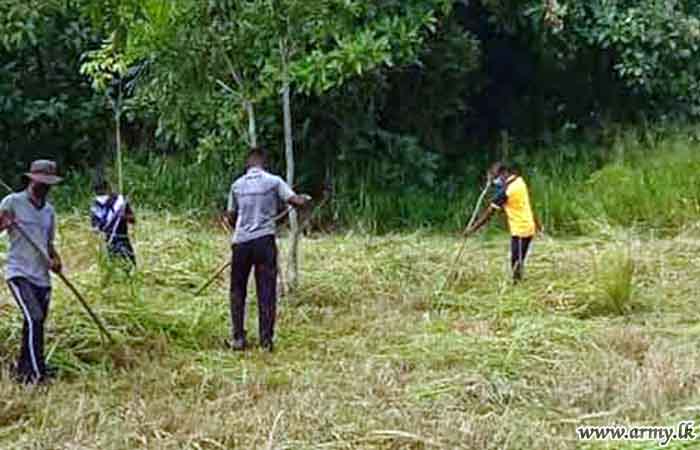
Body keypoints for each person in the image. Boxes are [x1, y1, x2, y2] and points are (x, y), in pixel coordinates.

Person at [226, 147, 310, 352]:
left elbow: (230, 216)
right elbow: (294, 201)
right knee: (266, 291)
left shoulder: (236, 185)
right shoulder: (273, 181)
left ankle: (238, 338)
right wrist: (306, 199)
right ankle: (265, 342)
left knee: (238, 290)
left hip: (241, 244)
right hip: (264, 242)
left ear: (248, 163)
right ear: (263, 162)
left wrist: (242, 228)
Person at [0, 160, 63, 384]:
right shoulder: (12, 202)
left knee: (35, 323)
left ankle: (24, 370)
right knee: (34, 318)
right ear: (31, 179)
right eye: (41, 182)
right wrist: (5, 221)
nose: (45, 187)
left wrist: (55, 259)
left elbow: (48, 243)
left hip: (41, 277)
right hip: (19, 273)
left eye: (49, 183)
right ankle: (38, 375)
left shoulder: (48, 211)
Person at [466, 162, 541, 282]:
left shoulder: (506, 191)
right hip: (528, 227)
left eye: (496, 177)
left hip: (521, 230)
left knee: (516, 260)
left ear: (504, 173)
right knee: (518, 259)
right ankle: (518, 281)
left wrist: (472, 229)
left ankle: (517, 284)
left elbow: (488, 214)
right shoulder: (519, 181)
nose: (495, 180)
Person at [90, 180, 136, 265]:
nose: (101, 195)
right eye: (99, 193)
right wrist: (99, 227)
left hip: (123, 238)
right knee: (115, 264)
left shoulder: (120, 202)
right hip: (109, 241)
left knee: (130, 264)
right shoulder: (96, 206)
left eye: (103, 192)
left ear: (108, 190)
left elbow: (132, 220)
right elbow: (95, 228)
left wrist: (123, 216)